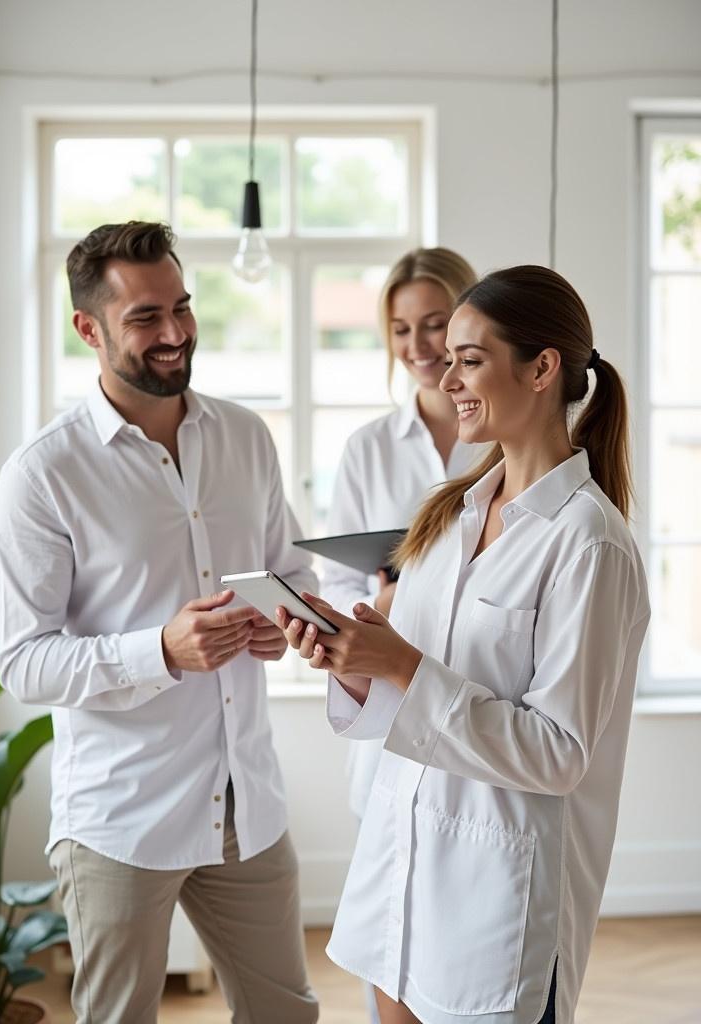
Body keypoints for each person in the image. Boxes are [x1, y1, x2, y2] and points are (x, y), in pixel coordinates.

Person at [278, 265, 650, 1024]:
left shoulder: (589, 545)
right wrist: (355, 662)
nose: (446, 379)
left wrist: (401, 664)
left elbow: (557, 754)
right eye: (446, 359)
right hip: (398, 880)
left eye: (469, 359)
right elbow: (404, 702)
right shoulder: (449, 516)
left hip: (496, 906)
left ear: (542, 369)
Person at [0, 221, 319, 1024]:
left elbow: (293, 570)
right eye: (144, 318)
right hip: (120, 820)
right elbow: (24, 661)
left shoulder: (246, 436)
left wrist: (286, 619)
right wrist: (159, 652)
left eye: (182, 307)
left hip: (248, 804)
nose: (174, 334)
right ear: (88, 329)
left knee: (287, 1016)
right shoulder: (43, 474)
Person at [321, 248, 486, 1024]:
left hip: (482, 703)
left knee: (473, 941)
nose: (419, 347)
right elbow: (339, 585)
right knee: (394, 932)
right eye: (399, 329)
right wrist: (375, 602)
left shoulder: (508, 435)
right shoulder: (367, 449)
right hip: (390, 713)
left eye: (434, 325)